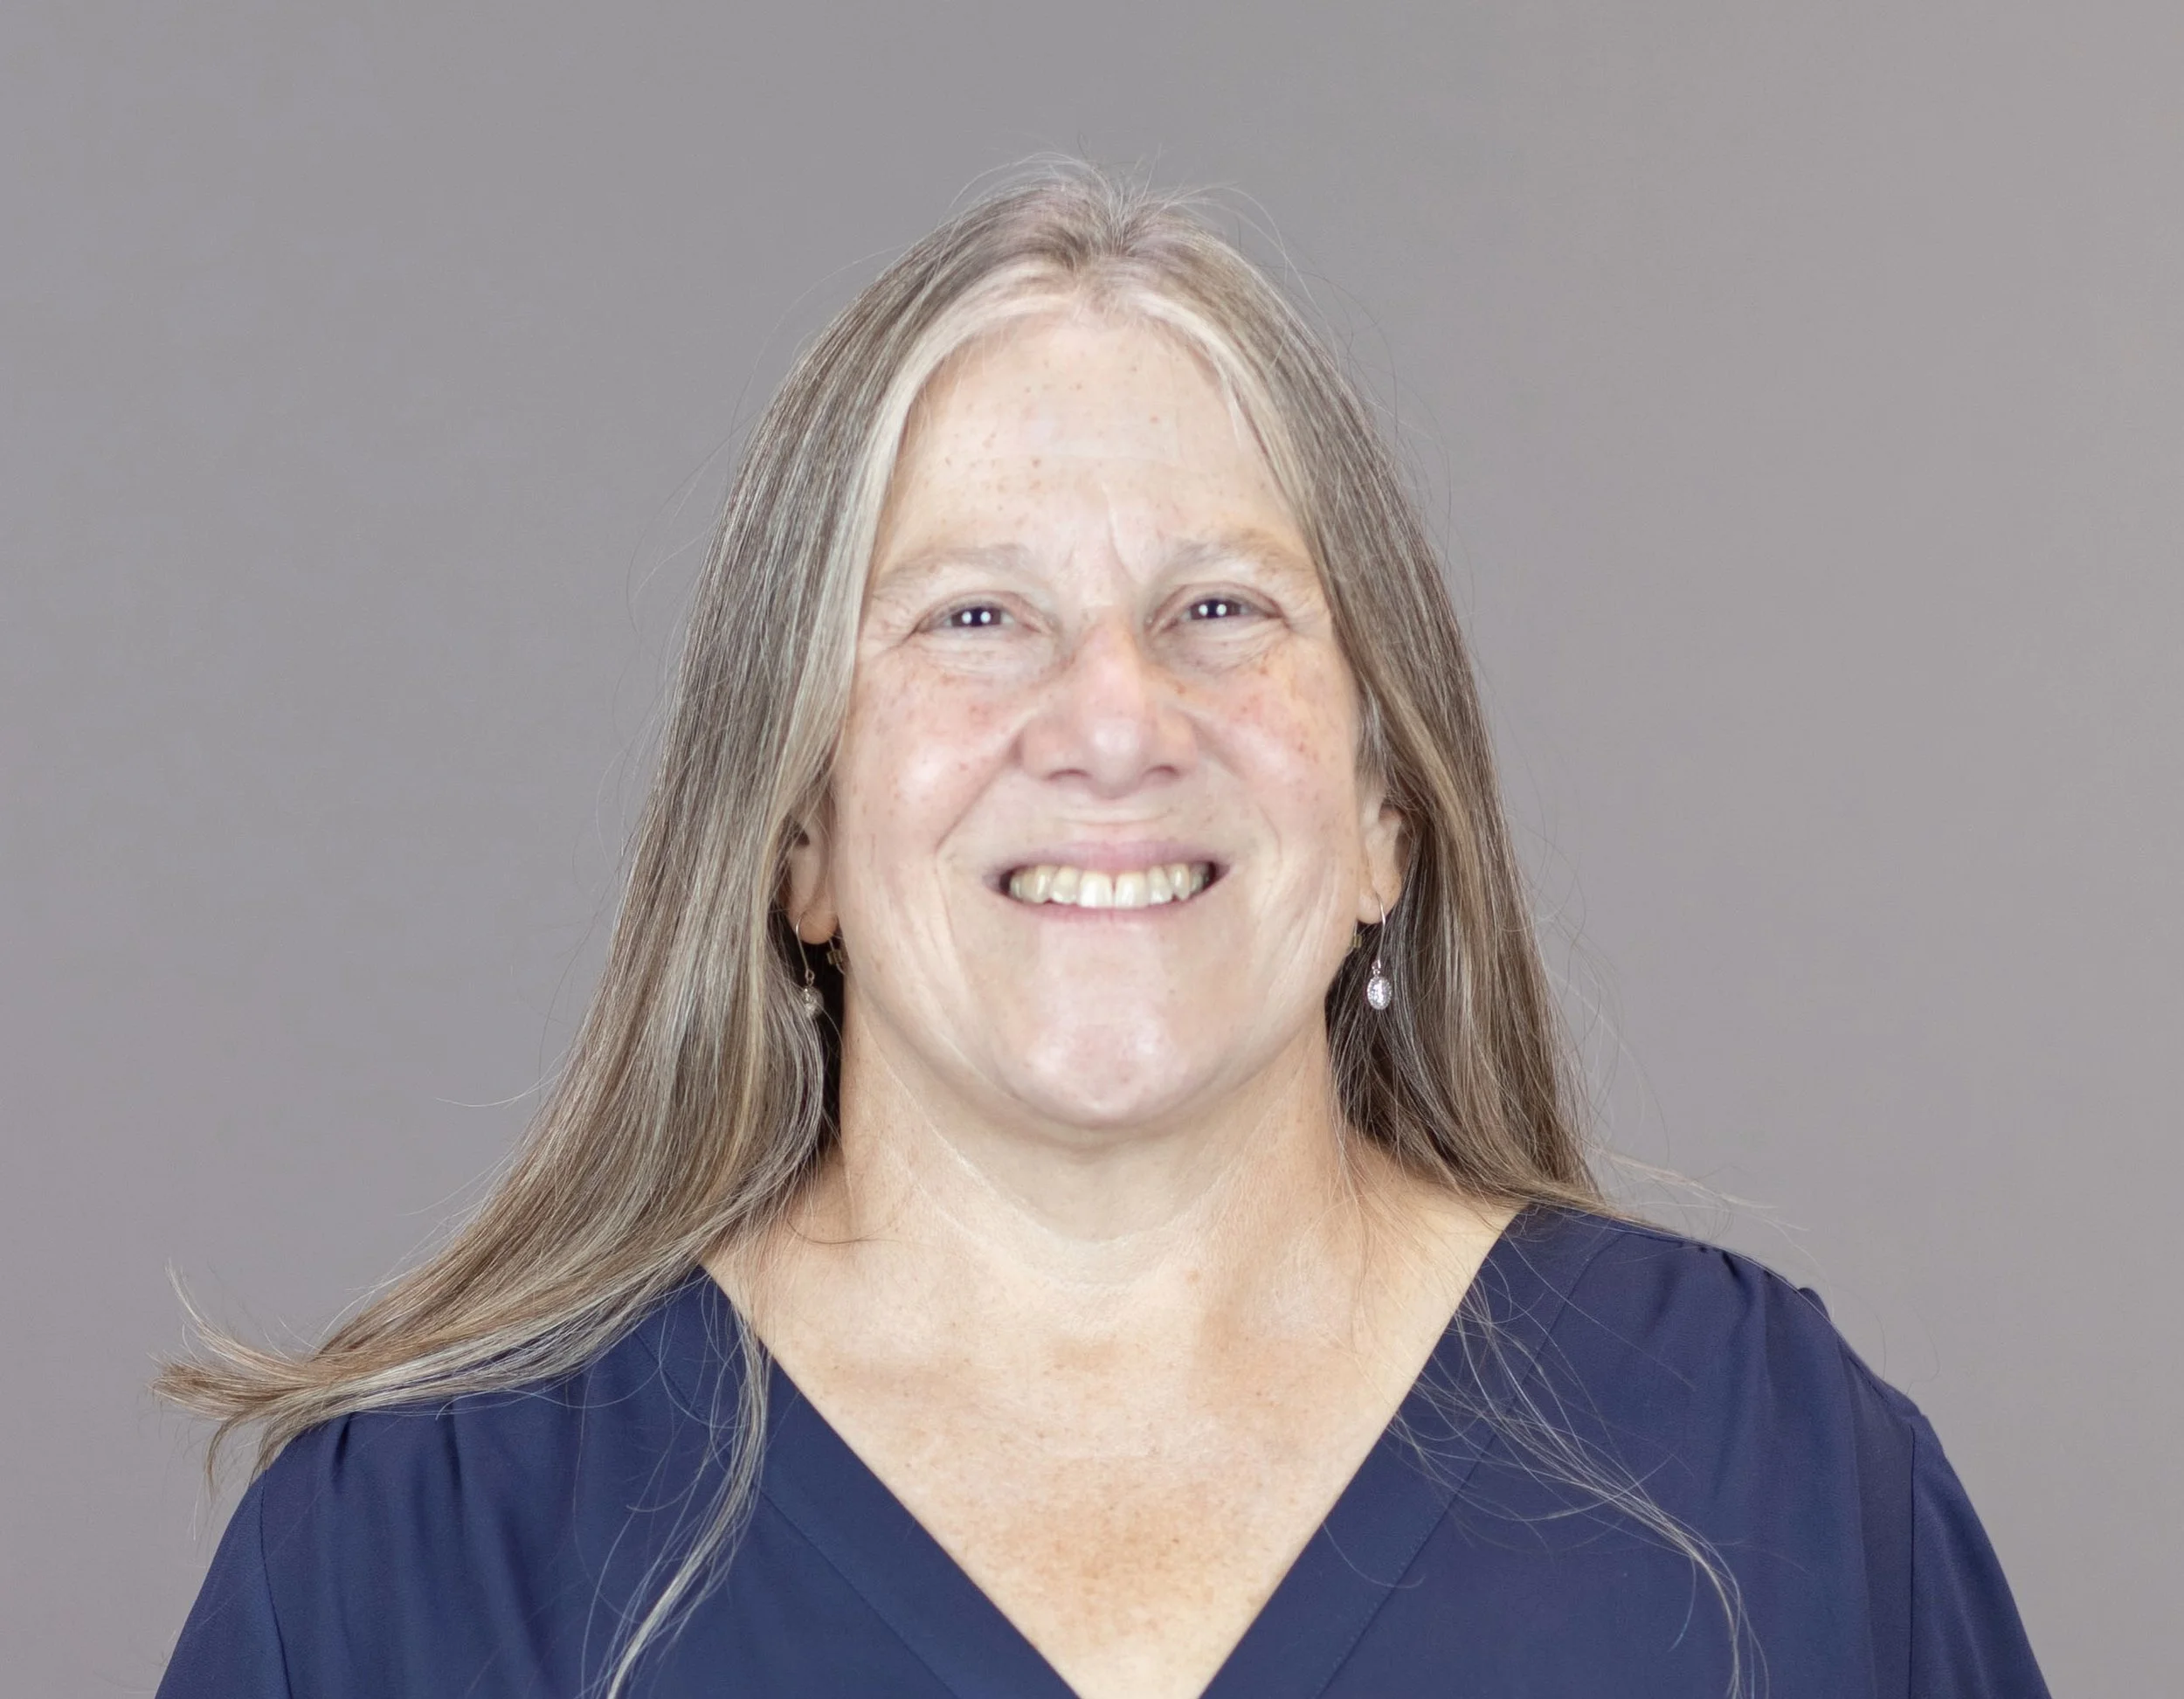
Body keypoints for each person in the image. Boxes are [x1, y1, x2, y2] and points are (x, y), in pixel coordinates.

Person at [156, 163, 2049, 1699]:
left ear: (1387, 815)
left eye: (1220, 609)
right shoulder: (412, 1554)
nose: (1116, 720)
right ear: (797, 834)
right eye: (974, 618)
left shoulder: (1760, 1471)